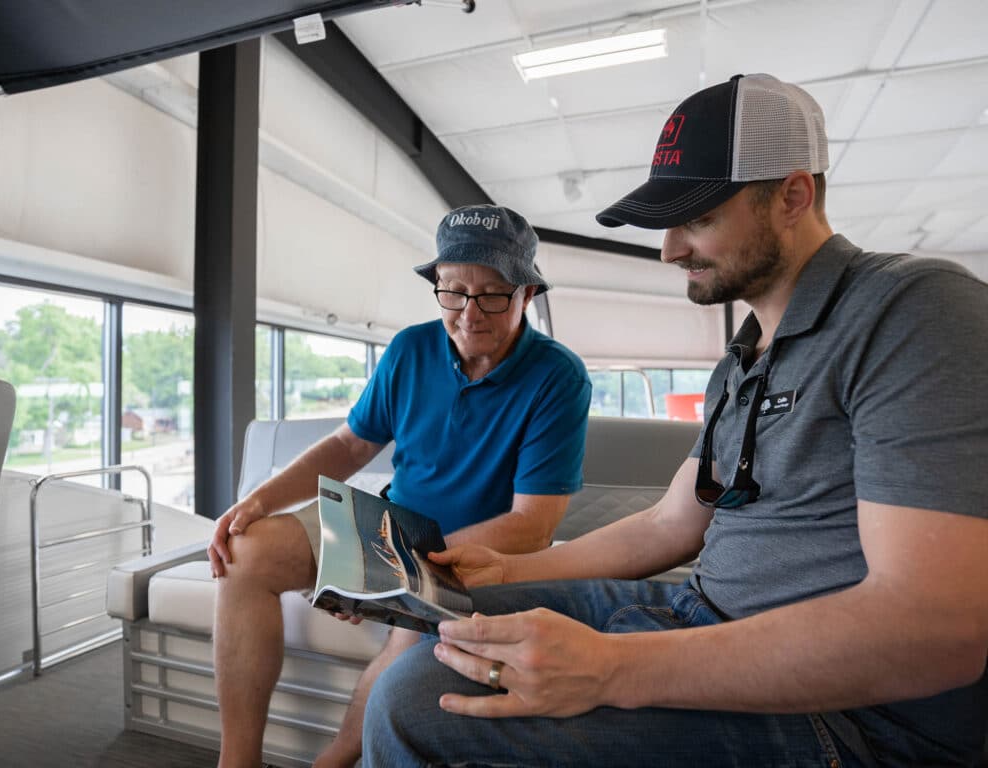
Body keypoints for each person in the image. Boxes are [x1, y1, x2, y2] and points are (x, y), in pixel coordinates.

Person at [362, 74, 988, 767]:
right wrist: (509, 566)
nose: (668, 251)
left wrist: (613, 669)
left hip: (845, 718)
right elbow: (671, 525)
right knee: (444, 634)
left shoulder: (915, 312)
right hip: (698, 612)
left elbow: (937, 628)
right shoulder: (744, 355)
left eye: (697, 219)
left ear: (793, 196)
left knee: (415, 706)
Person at [206, 203, 591, 768]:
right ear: (437, 286)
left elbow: (533, 524)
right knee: (244, 554)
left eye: (492, 294)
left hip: (476, 553)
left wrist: (394, 576)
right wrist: (256, 500)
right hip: (386, 526)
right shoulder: (410, 349)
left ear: (527, 294)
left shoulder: (558, 378)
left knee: (407, 642)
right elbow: (348, 446)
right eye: (454, 291)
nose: (469, 313)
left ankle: (333, 761)